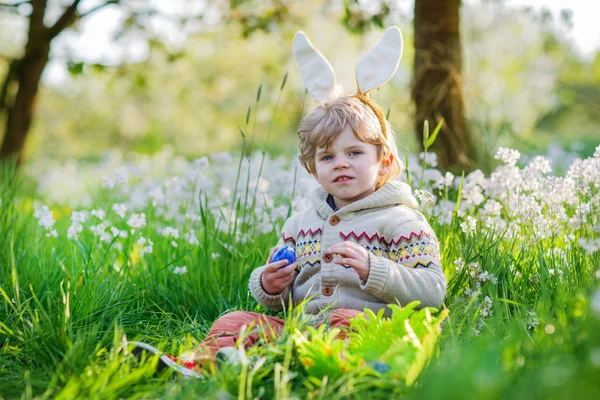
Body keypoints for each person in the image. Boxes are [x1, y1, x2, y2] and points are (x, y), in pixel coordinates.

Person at [130, 26, 446, 376]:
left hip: (369, 333)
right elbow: (283, 297)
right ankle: (201, 367)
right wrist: (269, 284)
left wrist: (375, 270)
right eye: (327, 157)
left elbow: (432, 291)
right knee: (235, 321)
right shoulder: (301, 224)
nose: (340, 163)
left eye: (354, 152)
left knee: (346, 322)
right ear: (312, 169)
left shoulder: (401, 222)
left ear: (384, 161)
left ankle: (338, 373)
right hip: (300, 335)